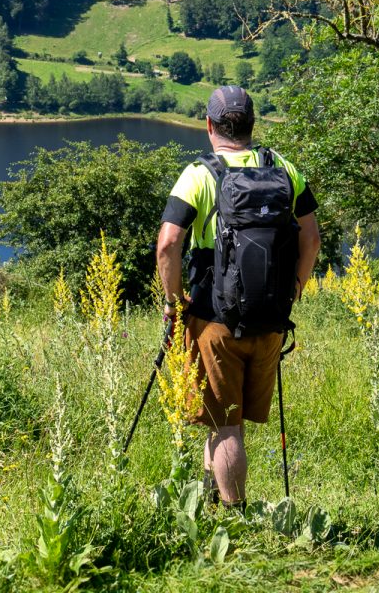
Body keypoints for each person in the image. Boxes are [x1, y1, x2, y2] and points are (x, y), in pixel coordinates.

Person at [155, 84, 321, 509]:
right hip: (270, 322)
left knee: (225, 425)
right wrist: (295, 289)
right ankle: (212, 502)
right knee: (224, 420)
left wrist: (174, 303)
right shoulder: (283, 168)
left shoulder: (200, 173)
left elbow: (168, 244)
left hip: (215, 321)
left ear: (210, 126)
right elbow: (312, 239)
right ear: (251, 124)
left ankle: (235, 518)